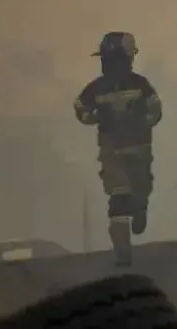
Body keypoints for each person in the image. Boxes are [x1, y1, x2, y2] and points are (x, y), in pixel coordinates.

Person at [73, 32, 162, 267]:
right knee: (118, 199)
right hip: (113, 151)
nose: (111, 65)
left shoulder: (139, 85)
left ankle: (139, 209)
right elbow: (80, 107)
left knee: (138, 191)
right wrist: (93, 117)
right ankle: (123, 254)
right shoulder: (98, 88)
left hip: (138, 149)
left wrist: (144, 119)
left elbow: (155, 109)